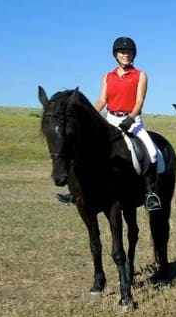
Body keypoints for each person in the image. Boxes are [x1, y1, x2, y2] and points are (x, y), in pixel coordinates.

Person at [58, 37, 161, 211]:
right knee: (82, 149)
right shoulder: (108, 76)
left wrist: (130, 119)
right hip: (110, 119)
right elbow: (102, 100)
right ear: (116, 55)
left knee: (151, 153)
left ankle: (150, 193)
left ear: (133, 54)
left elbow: (140, 100)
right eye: (122, 52)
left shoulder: (140, 75)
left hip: (132, 120)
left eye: (128, 52)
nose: (125, 55)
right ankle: (74, 191)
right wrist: (88, 115)